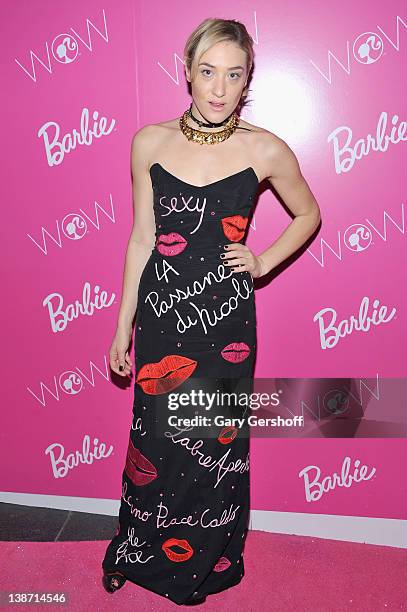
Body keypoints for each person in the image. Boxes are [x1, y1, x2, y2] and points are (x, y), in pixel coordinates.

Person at [101, 17, 321, 607]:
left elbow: (309, 214)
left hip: (225, 322)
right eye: (207, 72)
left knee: (215, 441)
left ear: (248, 80)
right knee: (156, 438)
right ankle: (139, 549)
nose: (219, 89)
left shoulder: (264, 147)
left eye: (234, 75)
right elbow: (142, 238)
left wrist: (262, 261)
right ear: (187, 70)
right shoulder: (148, 141)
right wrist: (123, 321)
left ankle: (203, 565)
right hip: (162, 312)